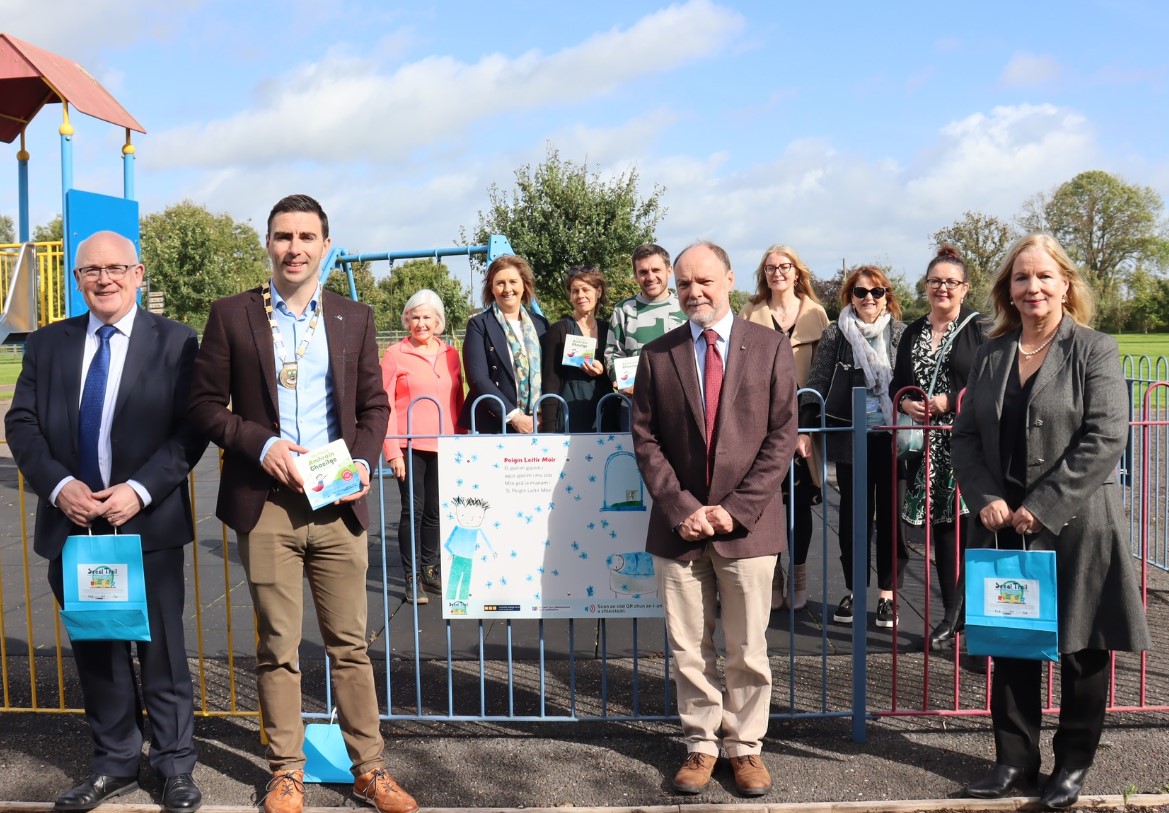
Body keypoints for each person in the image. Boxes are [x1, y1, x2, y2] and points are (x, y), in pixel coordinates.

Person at [187, 195, 417, 813]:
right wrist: (260, 445)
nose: (295, 248)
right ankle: (286, 770)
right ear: (268, 243)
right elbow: (204, 406)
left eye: (306, 237)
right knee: (278, 647)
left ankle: (369, 769)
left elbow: (373, 406)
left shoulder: (353, 316)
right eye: (284, 236)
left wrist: (362, 463)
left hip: (337, 505)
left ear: (325, 245)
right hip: (266, 504)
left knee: (350, 645)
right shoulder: (231, 314)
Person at [5, 232, 206, 813]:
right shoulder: (48, 343)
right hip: (74, 528)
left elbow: (191, 430)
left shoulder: (176, 342)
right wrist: (59, 486)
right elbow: (21, 423)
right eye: (91, 270)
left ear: (138, 273)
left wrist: (139, 491)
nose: (104, 279)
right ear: (77, 279)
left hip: (148, 527)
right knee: (98, 654)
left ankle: (174, 766)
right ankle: (114, 762)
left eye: (116, 268)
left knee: (161, 651)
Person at [952, 234, 1150, 809]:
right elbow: (965, 438)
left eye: (1044, 276)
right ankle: (1014, 761)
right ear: (1007, 290)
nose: (1032, 287)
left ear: (1065, 283)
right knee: (1012, 645)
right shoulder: (992, 353)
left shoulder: (1094, 349)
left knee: (1082, 650)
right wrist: (984, 496)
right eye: (1021, 277)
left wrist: (1042, 505)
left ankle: (1071, 766)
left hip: (1077, 523)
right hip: (1003, 525)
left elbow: (1105, 436)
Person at [631, 241, 798, 798]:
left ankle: (745, 747)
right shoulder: (657, 355)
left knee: (748, 648)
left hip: (748, 526)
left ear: (729, 280)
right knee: (689, 648)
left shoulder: (771, 348)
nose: (693, 292)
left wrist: (735, 509)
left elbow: (781, 438)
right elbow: (645, 440)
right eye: (683, 284)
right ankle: (701, 744)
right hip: (678, 529)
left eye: (704, 281)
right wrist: (683, 508)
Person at [890, 245, 987, 650]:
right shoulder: (912, 331)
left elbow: (991, 381)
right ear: (925, 286)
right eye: (935, 281)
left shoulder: (981, 329)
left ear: (965, 288)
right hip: (930, 450)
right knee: (945, 535)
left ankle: (978, 622)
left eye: (950, 282)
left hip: (971, 444)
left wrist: (952, 400)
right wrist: (905, 402)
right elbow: (897, 383)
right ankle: (951, 619)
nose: (942, 288)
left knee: (977, 536)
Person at [802, 265, 906, 629]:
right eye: (861, 292)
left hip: (892, 438)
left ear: (887, 296)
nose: (869, 298)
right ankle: (854, 590)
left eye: (876, 292)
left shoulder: (901, 333)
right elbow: (816, 382)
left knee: (891, 518)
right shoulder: (836, 333)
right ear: (851, 296)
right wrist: (806, 428)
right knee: (853, 520)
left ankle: (887, 595)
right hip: (850, 437)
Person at [739, 244, 829, 610]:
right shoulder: (750, 313)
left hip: (803, 423)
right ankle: (773, 576)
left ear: (797, 272)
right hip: (761, 424)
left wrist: (805, 430)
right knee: (766, 502)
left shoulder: (816, 314)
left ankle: (799, 576)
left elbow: (822, 378)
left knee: (799, 504)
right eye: (770, 267)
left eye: (784, 266)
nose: (777, 272)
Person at [381, 289, 465, 605]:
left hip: (444, 443)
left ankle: (430, 570)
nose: (421, 323)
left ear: (437, 320)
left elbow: (457, 400)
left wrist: (460, 442)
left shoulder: (451, 354)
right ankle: (412, 576)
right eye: (415, 317)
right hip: (409, 444)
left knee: (434, 510)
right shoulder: (395, 354)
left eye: (427, 317)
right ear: (407, 320)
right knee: (412, 510)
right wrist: (392, 451)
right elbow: (385, 404)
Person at [459, 254, 550, 434]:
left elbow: (549, 373)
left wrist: (543, 414)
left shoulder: (541, 324)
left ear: (524, 285)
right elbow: (478, 378)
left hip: (538, 424)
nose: (507, 289)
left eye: (513, 282)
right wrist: (515, 417)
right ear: (492, 288)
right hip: (492, 423)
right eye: (500, 283)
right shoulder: (479, 325)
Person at [603, 243, 687, 427]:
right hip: (636, 406)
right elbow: (612, 353)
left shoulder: (686, 307)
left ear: (669, 271)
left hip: (681, 405)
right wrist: (623, 382)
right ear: (635, 275)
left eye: (656, 270)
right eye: (643, 272)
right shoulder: (623, 310)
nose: (650, 277)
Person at [540, 265, 613, 433]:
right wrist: (549, 431)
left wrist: (603, 371)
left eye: (585, 289)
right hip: (570, 418)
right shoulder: (559, 330)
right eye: (575, 291)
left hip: (605, 416)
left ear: (598, 292)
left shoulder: (608, 330)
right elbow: (550, 382)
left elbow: (615, 376)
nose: (580, 295)